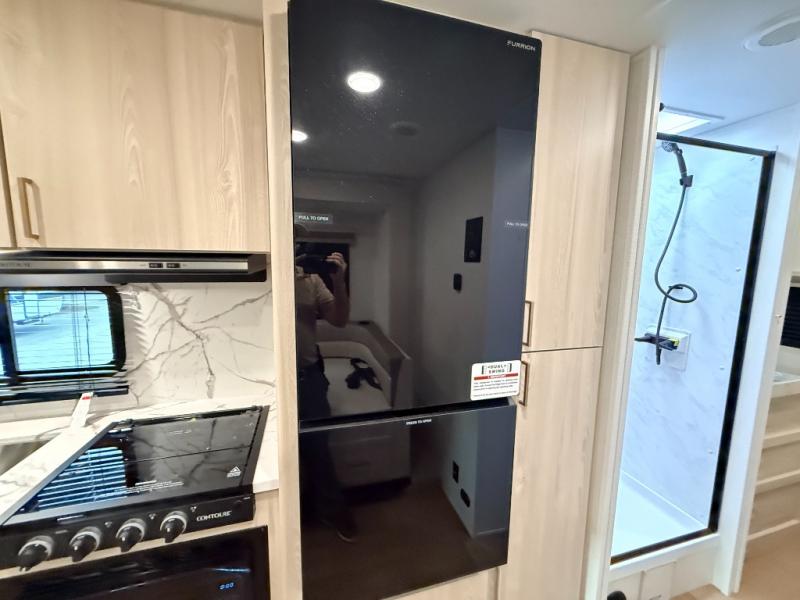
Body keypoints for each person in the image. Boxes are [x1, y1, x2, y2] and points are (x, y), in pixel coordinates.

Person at [295, 242, 357, 542]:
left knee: (318, 448)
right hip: (268, 381)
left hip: (308, 377)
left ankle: (331, 510)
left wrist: (339, 281)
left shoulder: (310, 279)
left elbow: (339, 320)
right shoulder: (263, 276)